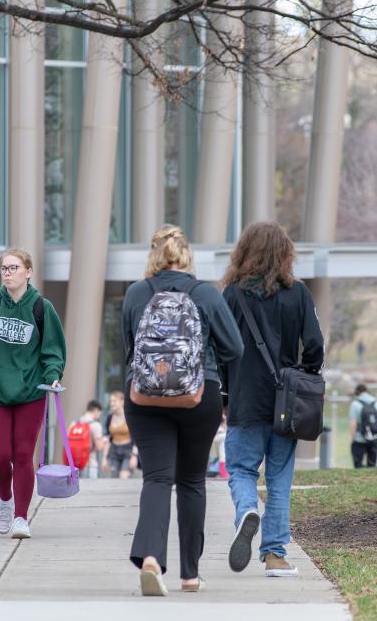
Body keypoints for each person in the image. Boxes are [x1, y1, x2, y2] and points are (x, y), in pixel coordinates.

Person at [122, 225, 244, 596]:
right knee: (191, 481)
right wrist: (207, 364)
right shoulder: (205, 294)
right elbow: (235, 348)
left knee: (156, 479)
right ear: (187, 257)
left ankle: (150, 560)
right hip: (197, 395)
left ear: (153, 257)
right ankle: (190, 574)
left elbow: (129, 347)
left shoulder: (135, 293)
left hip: (144, 397)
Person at [222, 221, 323, 578]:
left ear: (244, 251)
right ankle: (275, 556)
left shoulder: (232, 295)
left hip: (245, 400)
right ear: (285, 253)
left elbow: (218, 349)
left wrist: (224, 394)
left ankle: (247, 509)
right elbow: (315, 346)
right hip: (288, 403)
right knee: (280, 478)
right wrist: (306, 373)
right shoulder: (298, 294)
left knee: (240, 470)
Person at [0, 247, 66, 540]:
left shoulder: (42, 308)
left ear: (28, 272)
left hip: (31, 392)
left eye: (14, 268)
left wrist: (53, 376)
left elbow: (53, 352)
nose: (8, 273)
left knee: (21, 454)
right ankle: (5, 499)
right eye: (4, 269)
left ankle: (21, 516)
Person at [348, 384, 377, 468]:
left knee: (358, 466)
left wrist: (352, 439)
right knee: (372, 466)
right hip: (374, 439)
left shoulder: (355, 404)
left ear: (357, 392)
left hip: (359, 439)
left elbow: (353, 424)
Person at [69, 399, 108, 479]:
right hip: (90, 466)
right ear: (96, 410)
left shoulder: (74, 423)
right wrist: (104, 441)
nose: (99, 416)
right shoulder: (96, 425)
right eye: (99, 413)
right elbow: (99, 447)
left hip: (74, 465)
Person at [104, 391, 137, 479]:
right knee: (114, 478)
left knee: (124, 477)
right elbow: (108, 438)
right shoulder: (109, 417)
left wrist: (134, 456)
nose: (112, 403)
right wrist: (104, 458)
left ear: (122, 401)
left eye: (114, 401)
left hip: (127, 450)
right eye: (111, 401)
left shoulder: (129, 417)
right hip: (114, 450)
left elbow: (135, 437)